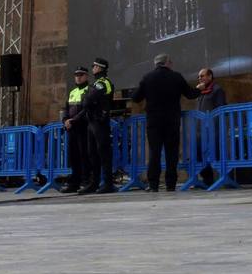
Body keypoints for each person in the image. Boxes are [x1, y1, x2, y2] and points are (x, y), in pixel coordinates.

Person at [131, 53, 199, 192]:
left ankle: (154, 184)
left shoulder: (147, 77)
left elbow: (136, 98)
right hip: (172, 121)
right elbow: (190, 94)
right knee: (172, 153)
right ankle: (170, 184)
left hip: (154, 122)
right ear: (167, 63)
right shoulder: (176, 77)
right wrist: (200, 88)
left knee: (154, 152)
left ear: (156, 64)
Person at [80, 57, 115, 194]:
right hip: (92, 122)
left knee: (103, 153)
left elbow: (88, 100)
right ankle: (94, 183)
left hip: (100, 122)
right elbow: (87, 100)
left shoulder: (103, 83)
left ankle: (108, 183)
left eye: (94, 66)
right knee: (92, 153)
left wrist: (88, 99)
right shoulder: (95, 83)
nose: (92, 68)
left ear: (99, 68)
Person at [60, 65, 91, 194]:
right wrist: (65, 120)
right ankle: (75, 182)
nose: (78, 78)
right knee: (73, 156)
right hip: (72, 128)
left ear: (86, 76)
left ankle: (86, 182)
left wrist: (74, 120)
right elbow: (66, 109)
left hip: (84, 127)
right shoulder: (72, 92)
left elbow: (86, 109)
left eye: (81, 75)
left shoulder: (89, 90)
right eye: (76, 75)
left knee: (84, 155)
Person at [194, 68, 226, 186]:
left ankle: (216, 179)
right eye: (199, 76)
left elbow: (220, 108)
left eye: (202, 76)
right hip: (200, 129)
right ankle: (206, 179)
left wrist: (214, 125)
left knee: (214, 153)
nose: (200, 78)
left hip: (212, 129)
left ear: (210, 76)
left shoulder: (217, 90)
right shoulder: (201, 91)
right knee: (199, 154)